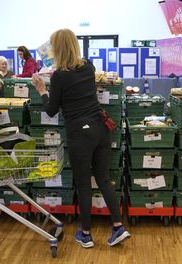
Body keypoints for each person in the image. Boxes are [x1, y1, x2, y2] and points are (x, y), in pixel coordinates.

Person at [32, 29, 131, 248]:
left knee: (84, 185)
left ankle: (85, 235)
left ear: (56, 48)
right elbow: (75, 81)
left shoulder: (58, 76)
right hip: (100, 129)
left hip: (80, 134)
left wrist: (41, 89)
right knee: (104, 180)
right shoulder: (88, 67)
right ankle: (118, 227)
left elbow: (50, 110)